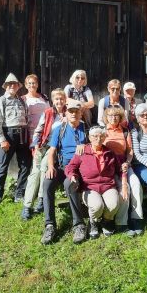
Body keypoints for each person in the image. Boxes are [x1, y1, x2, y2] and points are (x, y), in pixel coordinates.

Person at [41, 99, 87, 245]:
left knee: (69, 184)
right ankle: (50, 225)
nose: (74, 114)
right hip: (61, 166)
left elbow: (96, 147)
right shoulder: (59, 129)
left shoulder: (86, 129)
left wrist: (85, 147)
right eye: (71, 111)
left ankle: (79, 224)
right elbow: (52, 151)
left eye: (76, 111)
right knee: (47, 183)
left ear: (81, 113)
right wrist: (50, 167)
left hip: (78, 169)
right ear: (66, 113)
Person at [65, 126, 122, 239]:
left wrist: (124, 168)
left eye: (101, 136)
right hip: (89, 187)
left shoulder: (110, 152)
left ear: (105, 137)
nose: (98, 138)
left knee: (113, 205)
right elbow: (70, 167)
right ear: (89, 137)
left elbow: (118, 168)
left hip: (108, 185)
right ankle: (93, 222)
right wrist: (72, 176)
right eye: (95, 136)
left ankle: (106, 221)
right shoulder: (82, 152)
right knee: (97, 206)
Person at [21, 88, 67, 220]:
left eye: (61, 99)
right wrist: (35, 145)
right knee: (34, 173)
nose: (59, 101)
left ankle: (41, 200)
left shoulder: (68, 114)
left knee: (44, 168)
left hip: (56, 148)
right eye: (57, 99)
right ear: (53, 100)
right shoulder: (47, 113)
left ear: (65, 100)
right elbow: (38, 130)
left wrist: (66, 121)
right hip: (43, 145)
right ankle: (27, 206)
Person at [0, 73, 32, 206]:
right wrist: (2, 140)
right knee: (2, 166)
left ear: (18, 87)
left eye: (15, 84)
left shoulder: (21, 101)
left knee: (25, 165)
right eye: (10, 84)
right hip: (8, 135)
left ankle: (19, 193)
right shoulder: (0, 101)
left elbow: (27, 119)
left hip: (22, 136)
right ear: (6, 87)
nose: (12, 86)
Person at [103, 106, 144, 235]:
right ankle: (122, 223)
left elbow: (130, 150)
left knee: (136, 185)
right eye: (110, 115)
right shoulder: (103, 131)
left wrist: (127, 162)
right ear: (106, 117)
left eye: (116, 115)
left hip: (125, 165)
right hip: (110, 168)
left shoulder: (125, 131)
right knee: (124, 188)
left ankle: (136, 218)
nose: (113, 118)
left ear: (120, 117)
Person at [21, 74, 50, 143]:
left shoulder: (44, 97)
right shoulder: (23, 99)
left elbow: (49, 111)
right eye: (29, 83)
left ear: (37, 84)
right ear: (26, 85)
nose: (32, 85)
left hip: (45, 129)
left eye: (34, 83)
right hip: (31, 131)